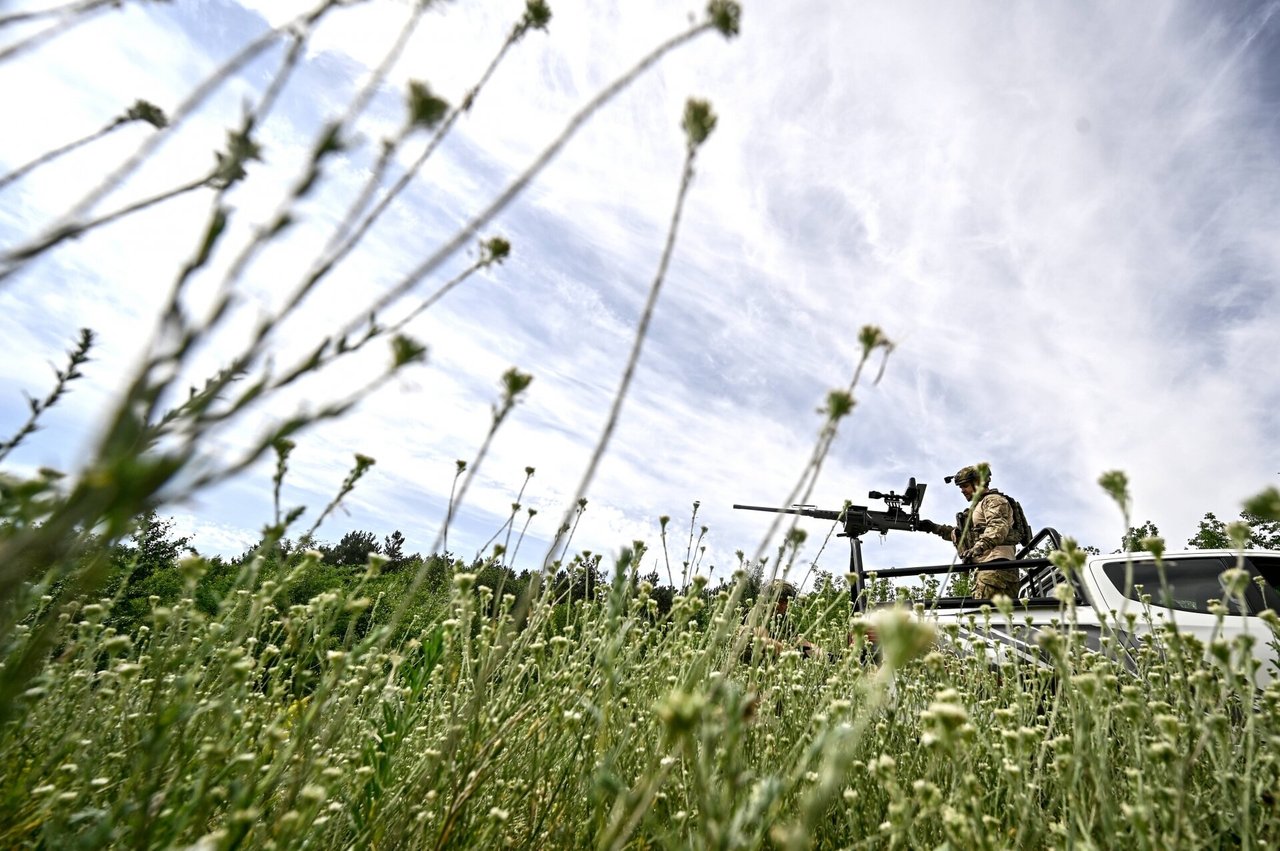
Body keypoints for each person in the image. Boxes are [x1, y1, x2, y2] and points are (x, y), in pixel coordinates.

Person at [917, 464, 1021, 600]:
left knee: (987, 617)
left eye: (965, 486)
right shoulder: (978, 507)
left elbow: (997, 527)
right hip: (990, 570)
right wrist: (933, 528)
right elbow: (962, 535)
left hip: (996, 568)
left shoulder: (993, 500)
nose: (962, 490)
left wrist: (978, 547)